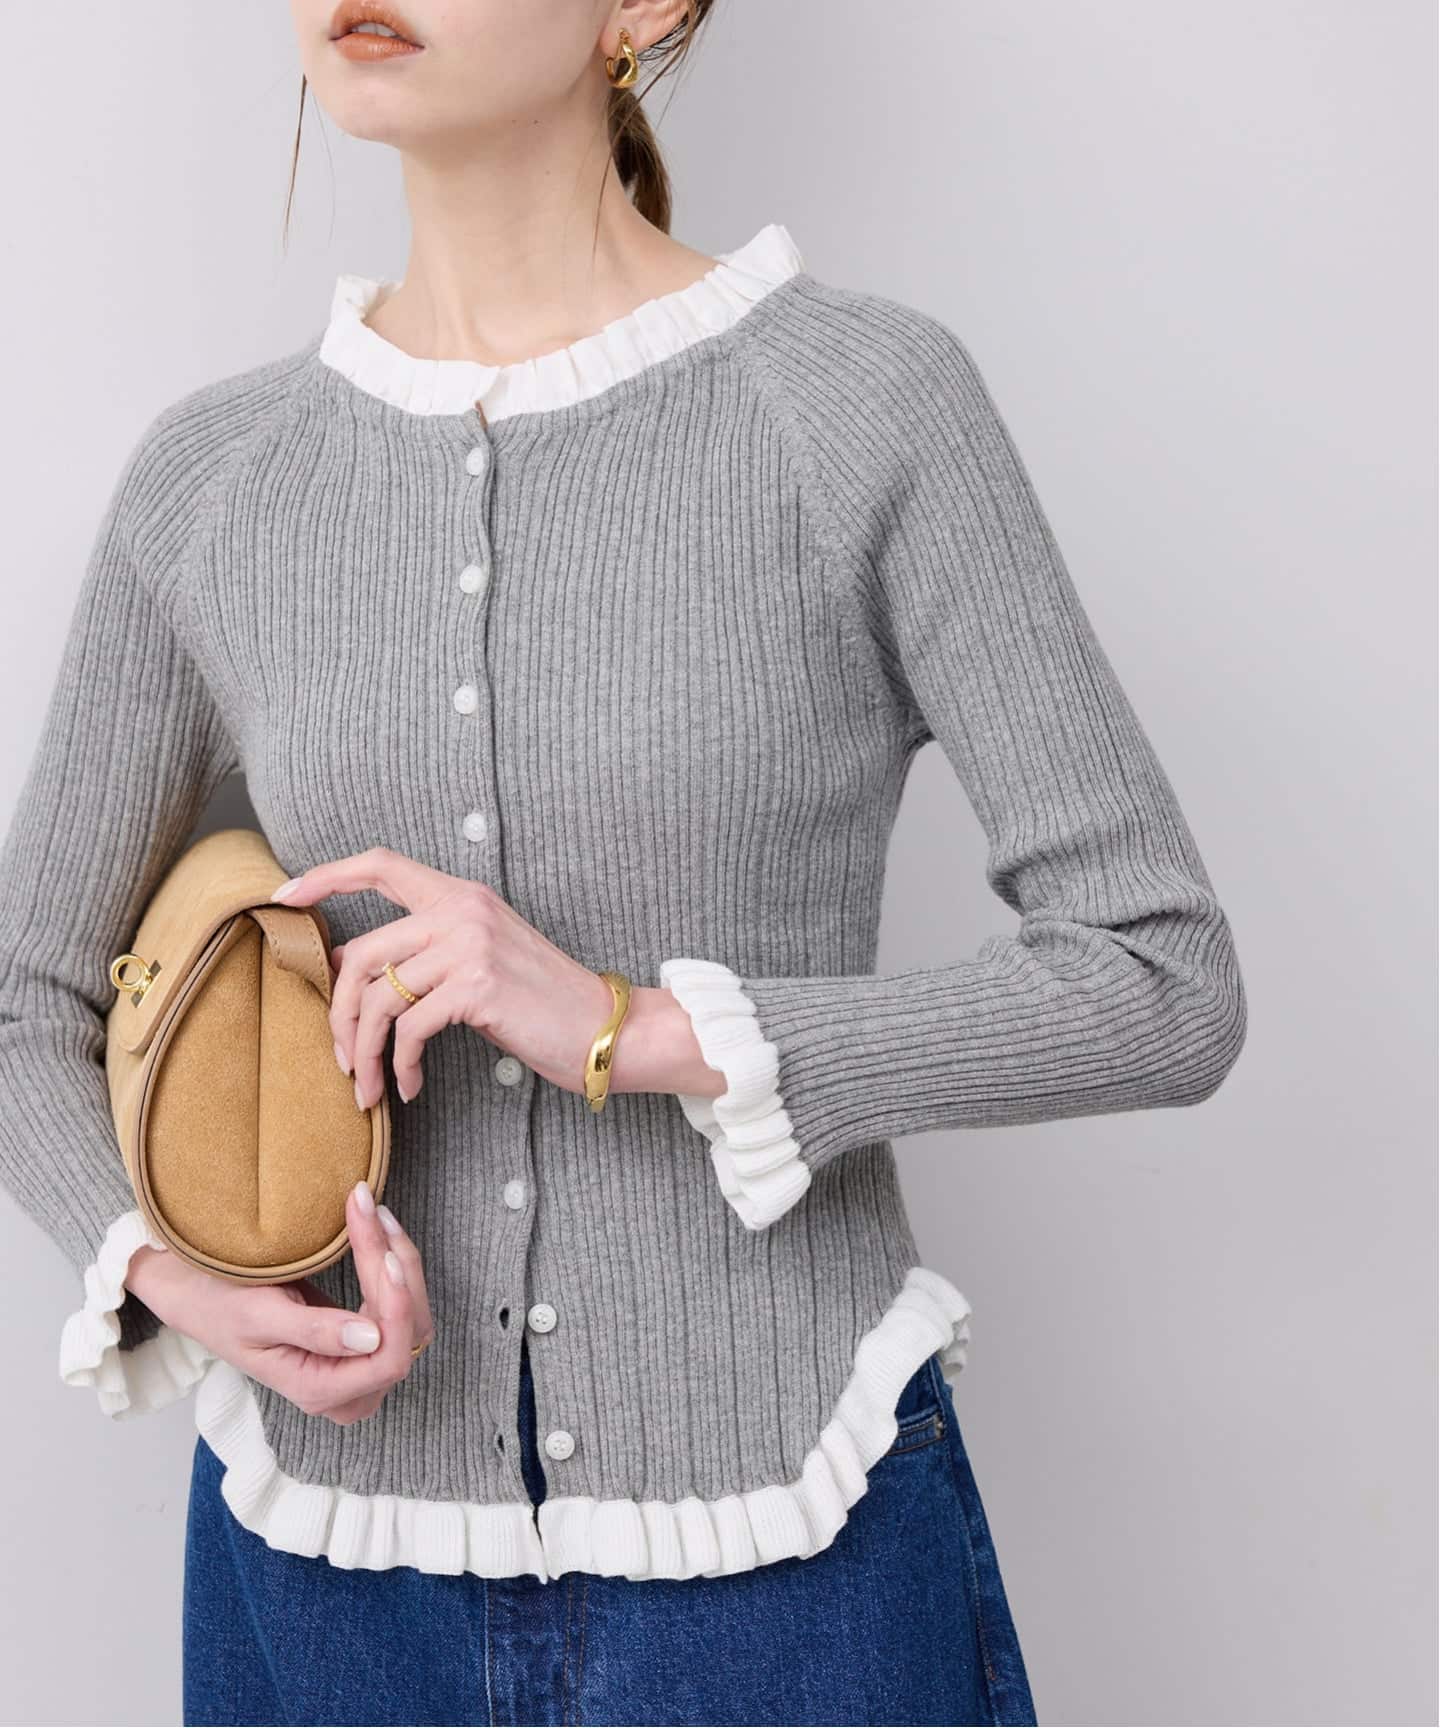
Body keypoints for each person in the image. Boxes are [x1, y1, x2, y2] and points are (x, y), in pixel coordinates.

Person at [0, 3, 1248, 1724]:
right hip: (325, 1591)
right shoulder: (216, 481)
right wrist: (173, 1278)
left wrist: (636, 1027)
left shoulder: (862, 407)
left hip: (795, 1573)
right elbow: (25, 998)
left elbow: (1160, 974)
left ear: (646, 8)